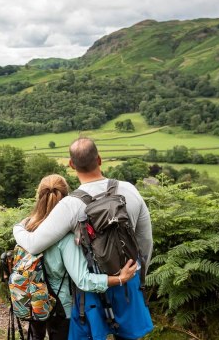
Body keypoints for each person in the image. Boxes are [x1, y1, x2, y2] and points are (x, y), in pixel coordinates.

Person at [14, 137, 153, 340]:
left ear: (71, 165)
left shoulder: (70, 205)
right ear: (99, 159)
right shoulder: (129, 190)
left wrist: (18, 229)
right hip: (128, 277)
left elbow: (35, 244)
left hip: (92, 289)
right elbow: (145, 241)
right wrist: (139, 275)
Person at [23, 174, 138, 340]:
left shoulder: (29, 228)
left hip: (34, 299)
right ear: (67, 197)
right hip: (61, 307)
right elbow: (83, 280)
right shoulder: (66, 239)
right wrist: (119, 279)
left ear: (38, 196)